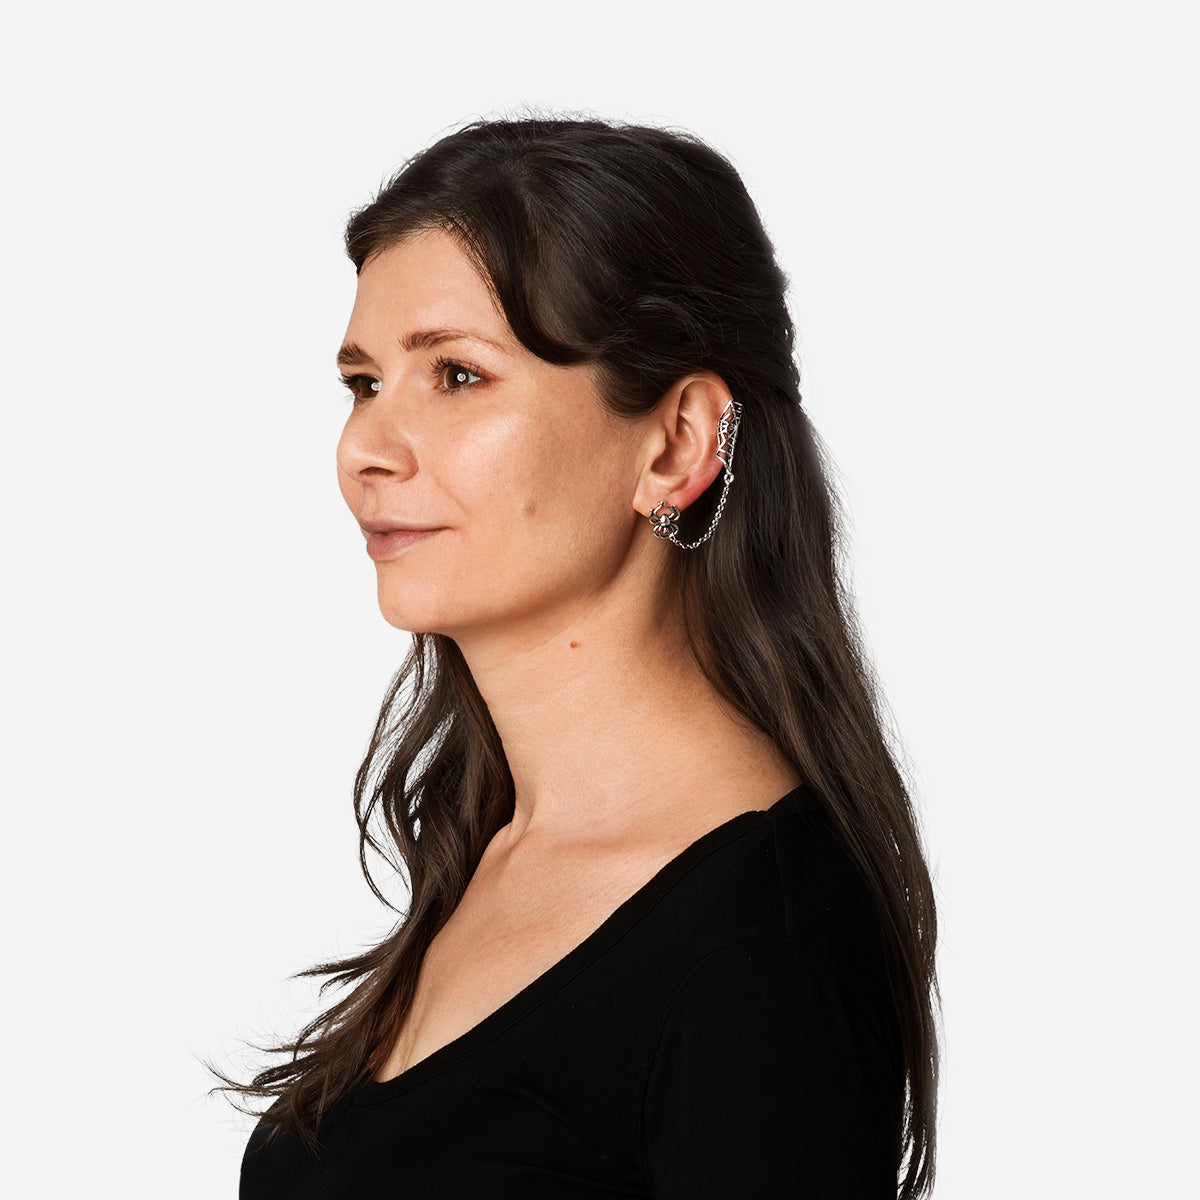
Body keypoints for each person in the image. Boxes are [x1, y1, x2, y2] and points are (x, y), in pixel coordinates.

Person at [228, 116, 940, 1198]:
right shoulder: (492, 849)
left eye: (457, 375)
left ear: (677, 443)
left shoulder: (761, 951)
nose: (363, 448)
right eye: (364, 382)